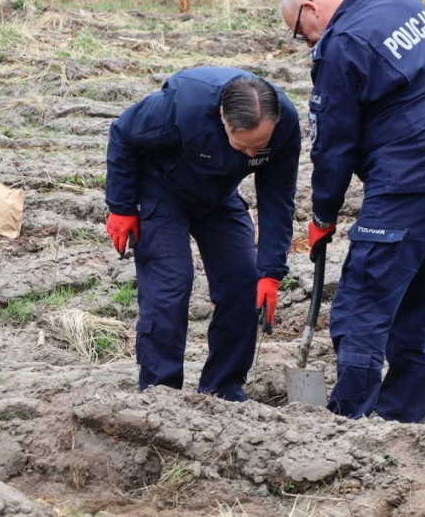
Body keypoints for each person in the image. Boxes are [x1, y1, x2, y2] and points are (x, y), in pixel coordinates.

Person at [279, 0, 425, 422]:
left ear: (311, 9)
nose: (307, 43)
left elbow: (333, 145)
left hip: (408, 181)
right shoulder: (404, 4)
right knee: (412, 309)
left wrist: (323, 215)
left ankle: (348, 423)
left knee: (360, 307)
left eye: (300, 33)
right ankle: (403, 419)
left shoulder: (341, 44)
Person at [105, 67, 301, 402]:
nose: (252, 155)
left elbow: (277, 199)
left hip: (218, 197)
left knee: (244, 283)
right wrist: (121, 205)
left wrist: (270, 271)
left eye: (260, 146)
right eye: (243, 146)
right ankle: (161, 394)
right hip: (161, 190)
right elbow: (123, 132)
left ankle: (223, 388)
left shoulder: (285, 125)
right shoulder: (184, 105)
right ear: (222, 117)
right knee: (171, 285)